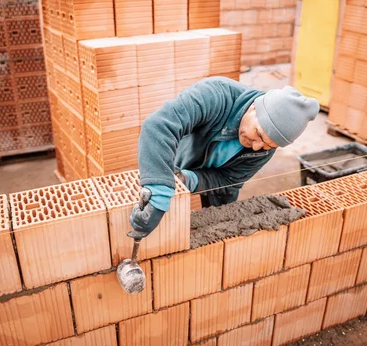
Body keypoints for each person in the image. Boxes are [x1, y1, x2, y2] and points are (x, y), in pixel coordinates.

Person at [130, 76, 320, 236]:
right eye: (259, 134)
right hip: (186, 158)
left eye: (269, 145)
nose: (256, 147)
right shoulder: (215, 94)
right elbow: (159, 126)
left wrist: (192, 180)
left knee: (215, 232)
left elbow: (229, 179)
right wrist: (160, 192)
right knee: (167, 213)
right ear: (255, 107)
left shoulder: (264, 147)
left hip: (220, 188)